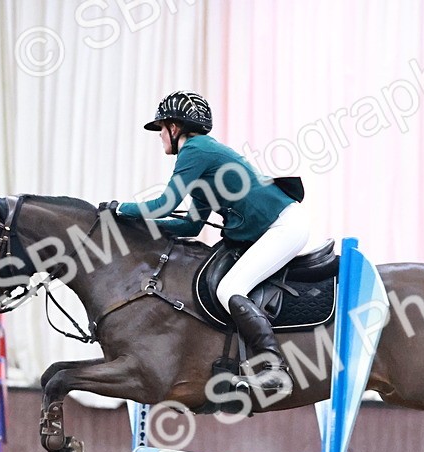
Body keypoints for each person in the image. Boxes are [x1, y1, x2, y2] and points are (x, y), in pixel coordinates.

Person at [116, 91, 310, 396]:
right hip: (275, 225)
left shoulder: (194, 151)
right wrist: (138, 227)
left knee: (229, 288)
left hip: (284, 225)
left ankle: (273, 368)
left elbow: (165, 204)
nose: (161, 137)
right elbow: (190, 224)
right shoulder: (202, 156)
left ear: (174, 128)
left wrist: (121, 210)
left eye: (161, 129)